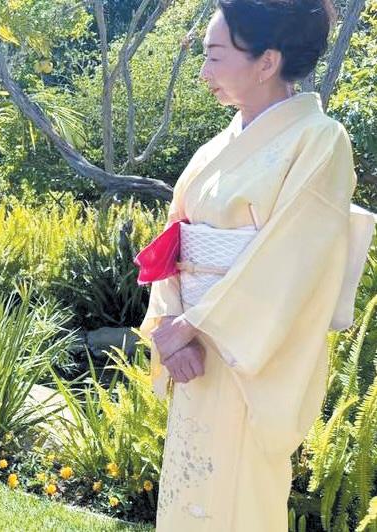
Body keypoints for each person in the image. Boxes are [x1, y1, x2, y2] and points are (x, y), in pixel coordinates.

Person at [139, 1, 355, 530]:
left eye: (215, 56)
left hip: (247, 362)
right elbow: (175, 241)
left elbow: (294, 262)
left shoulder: (319, 140)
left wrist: (191, 326)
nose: (203, 72)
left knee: (237, 500)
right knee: (188, 495)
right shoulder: (213, 150)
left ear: (267, 62)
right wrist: (170, 329)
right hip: (194, 355)